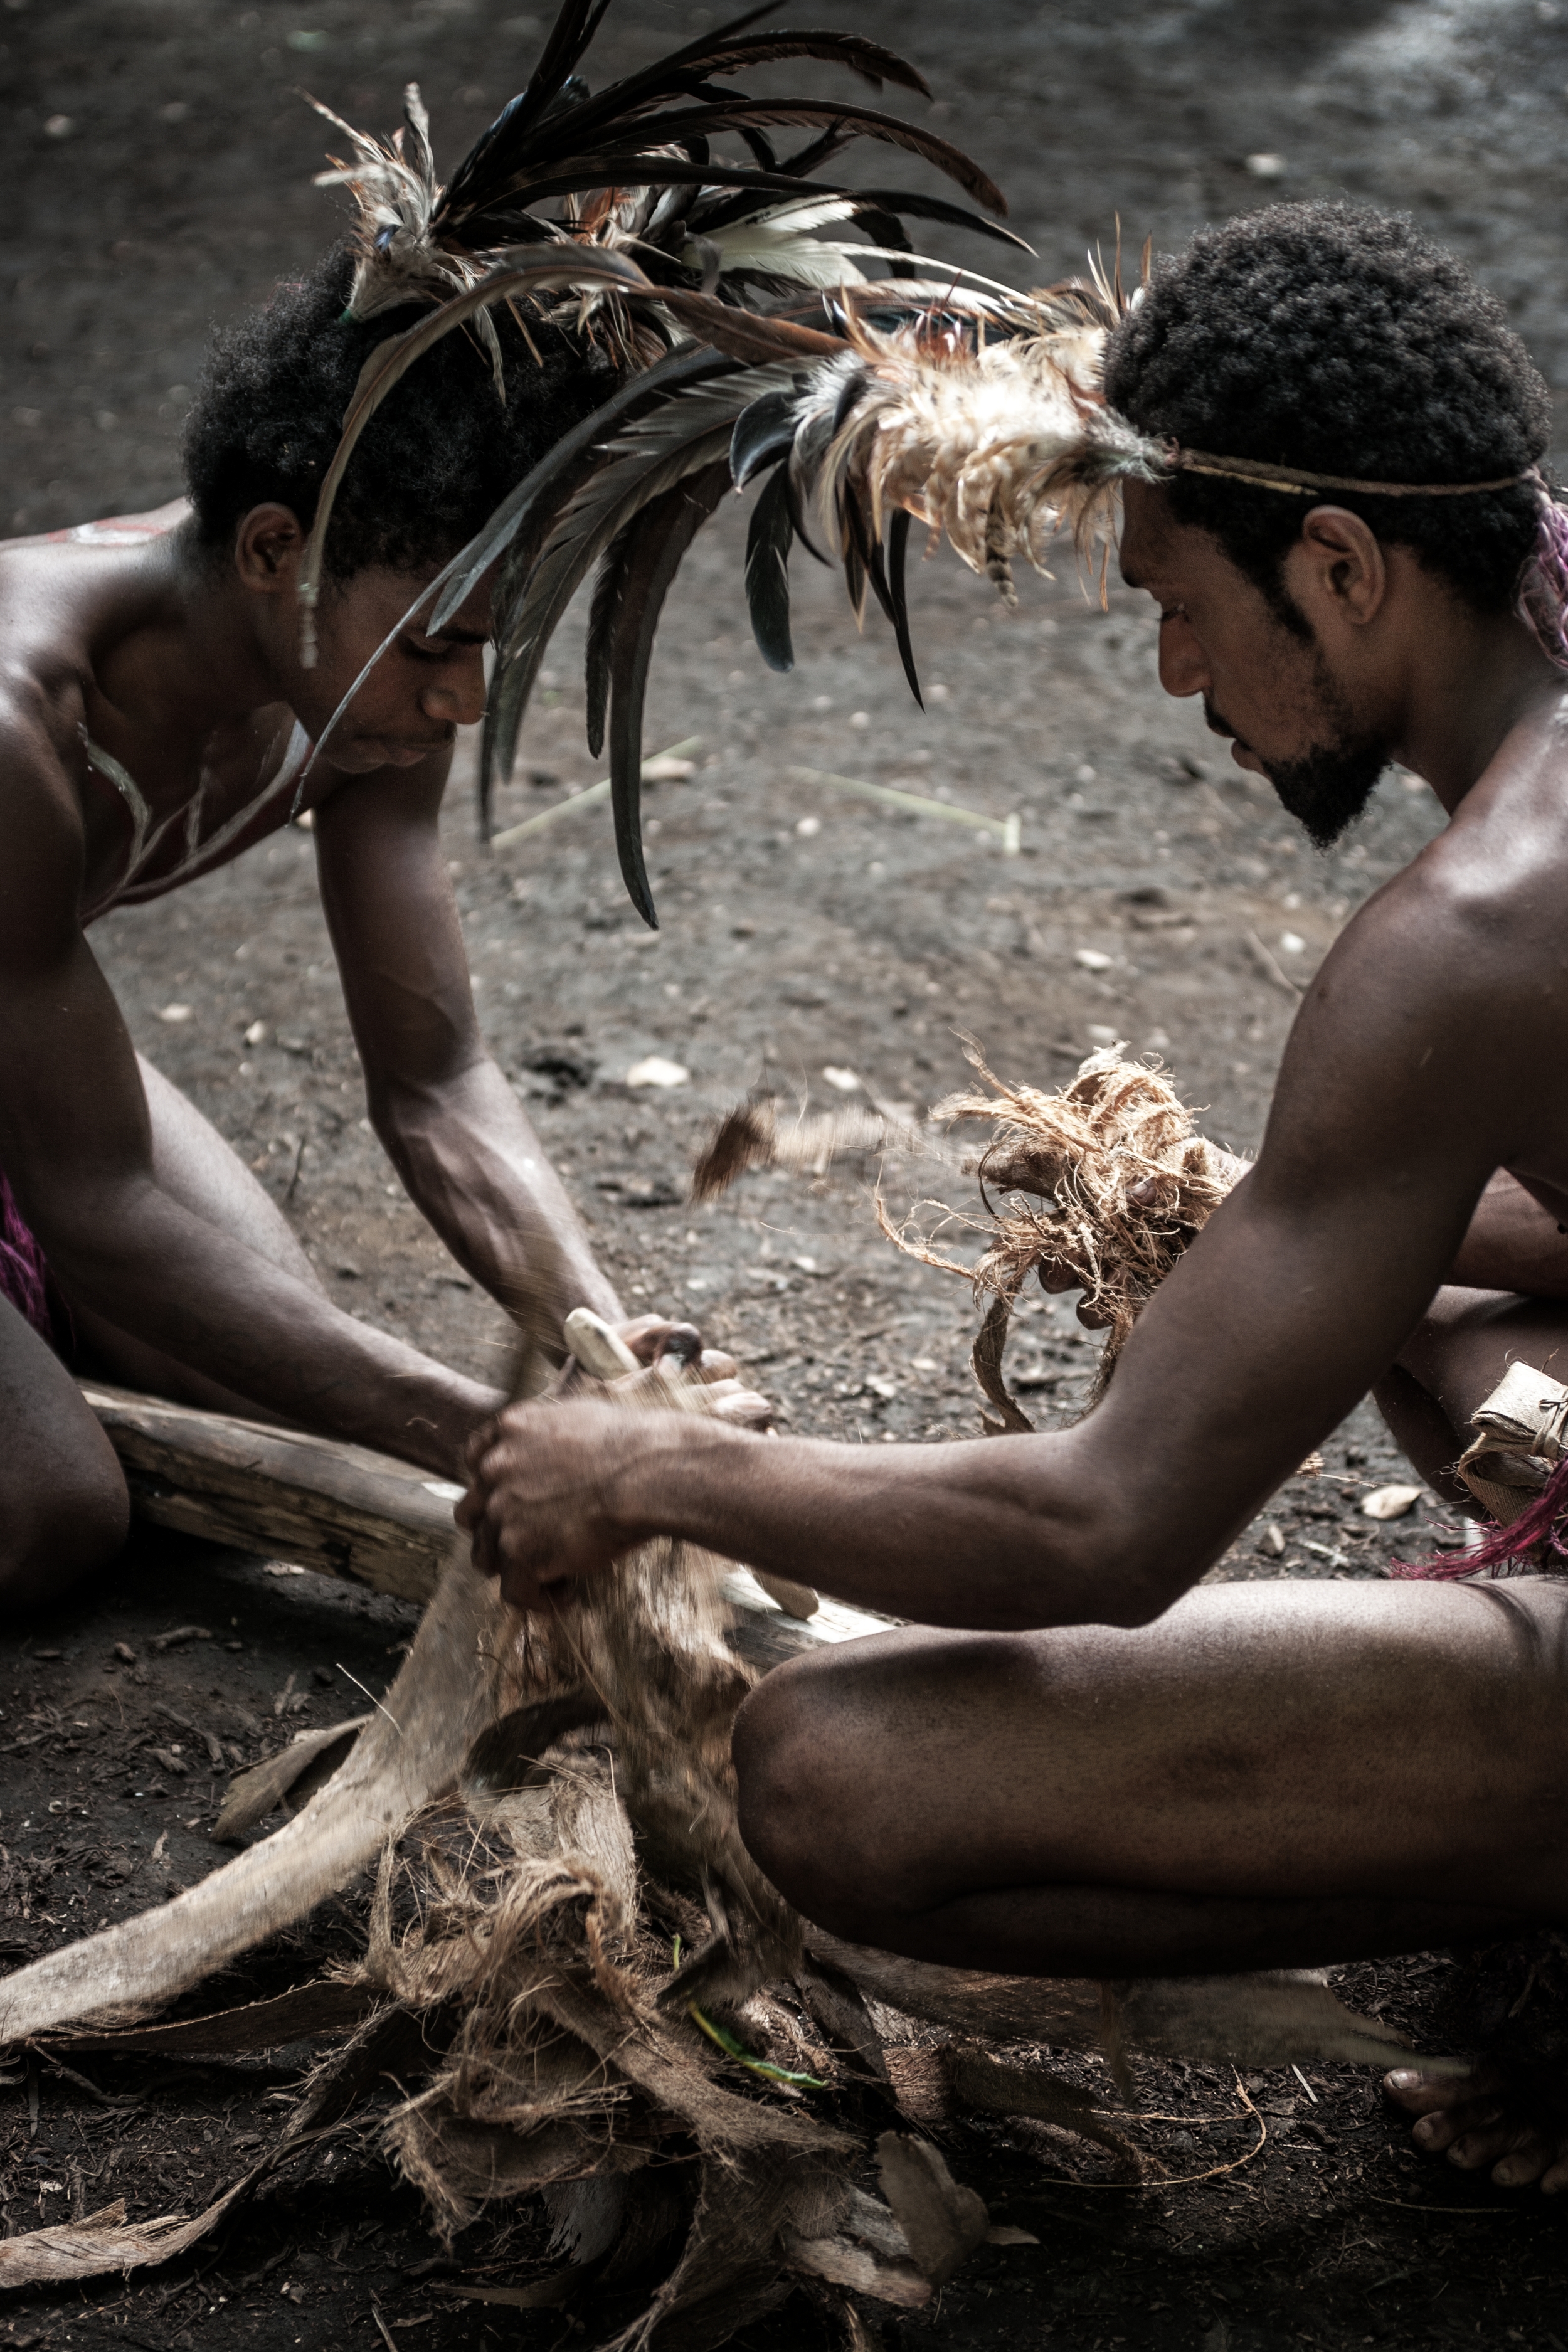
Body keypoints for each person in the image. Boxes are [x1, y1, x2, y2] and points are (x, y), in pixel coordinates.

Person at [459, 203, 1568, 2195]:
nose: (1167, 672)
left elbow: (1107, 1519)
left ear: (1340, 564)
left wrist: (641, 1470)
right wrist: (1264, 1214)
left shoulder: (1473, 938)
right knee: (1408, 1296)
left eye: (1176, 599)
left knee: (837, 1770)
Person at [0, 1, 989, 1606]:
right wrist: (482, 1430)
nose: (464, 696)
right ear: (274, 553)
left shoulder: (373, 661)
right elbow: (104, 1205)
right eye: (449, 646)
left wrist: (592, 1356)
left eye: (492, 643)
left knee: (245, 1352)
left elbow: (437, 1073)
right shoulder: (18, 724)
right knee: (52, 1505)